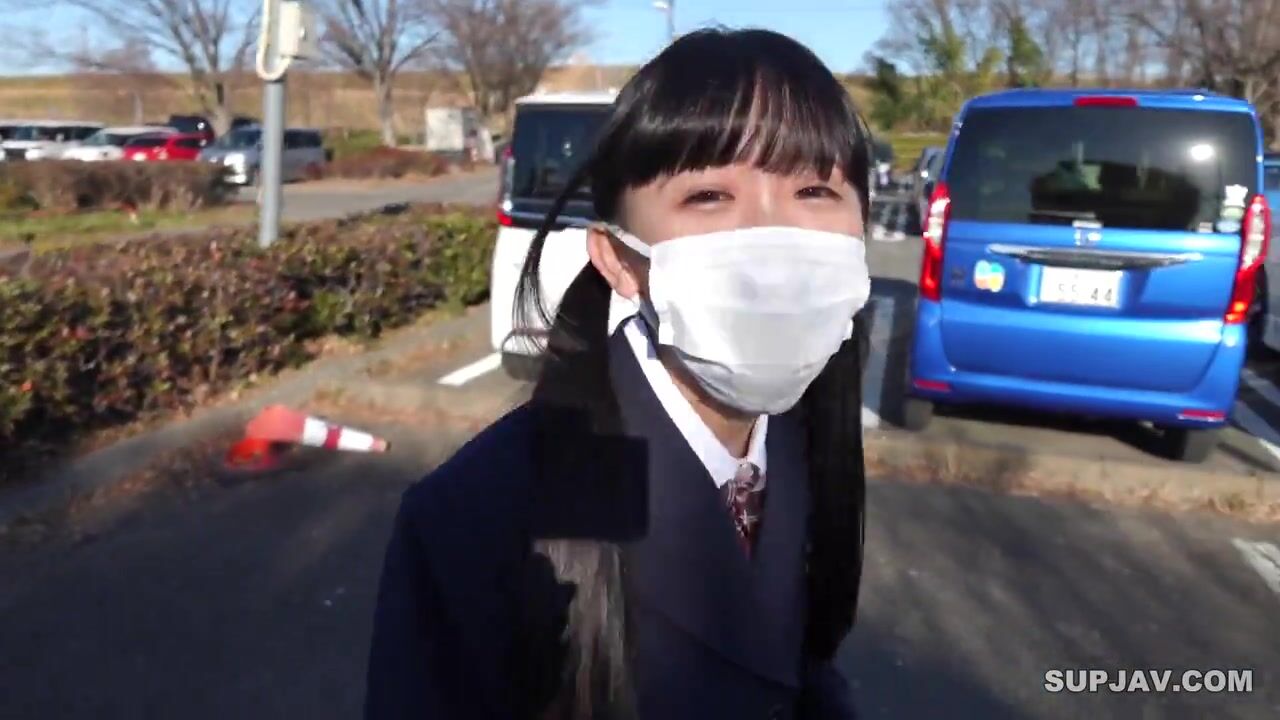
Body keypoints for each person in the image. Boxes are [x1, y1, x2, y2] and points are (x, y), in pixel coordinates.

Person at [365, 28, 873, 720]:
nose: (771, 240)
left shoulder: (804, 437)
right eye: (708, 196)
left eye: (813, 188)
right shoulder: (478, 517)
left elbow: (807, 667)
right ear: (617, 259)